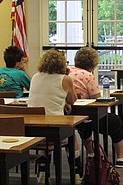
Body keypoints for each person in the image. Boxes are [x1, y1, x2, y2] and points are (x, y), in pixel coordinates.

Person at [68, 47, 123, 168]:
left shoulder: (67, 72)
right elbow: (98, 98)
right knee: (115, 122)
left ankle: (91, 153)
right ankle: (121, 158)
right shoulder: (88, 76)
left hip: (70, 115)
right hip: (89, 117)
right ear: (93, 63)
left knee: (85, 125)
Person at [28, 49, 83, 184]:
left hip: (32, 127)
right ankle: (76, 173)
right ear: (62, 64)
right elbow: (72, 100)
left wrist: (62, 102)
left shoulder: (35, 77)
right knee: (73, 139)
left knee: (43, 140)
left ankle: (42, 172)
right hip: (54, 126)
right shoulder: (65, 79)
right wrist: (65, 102)